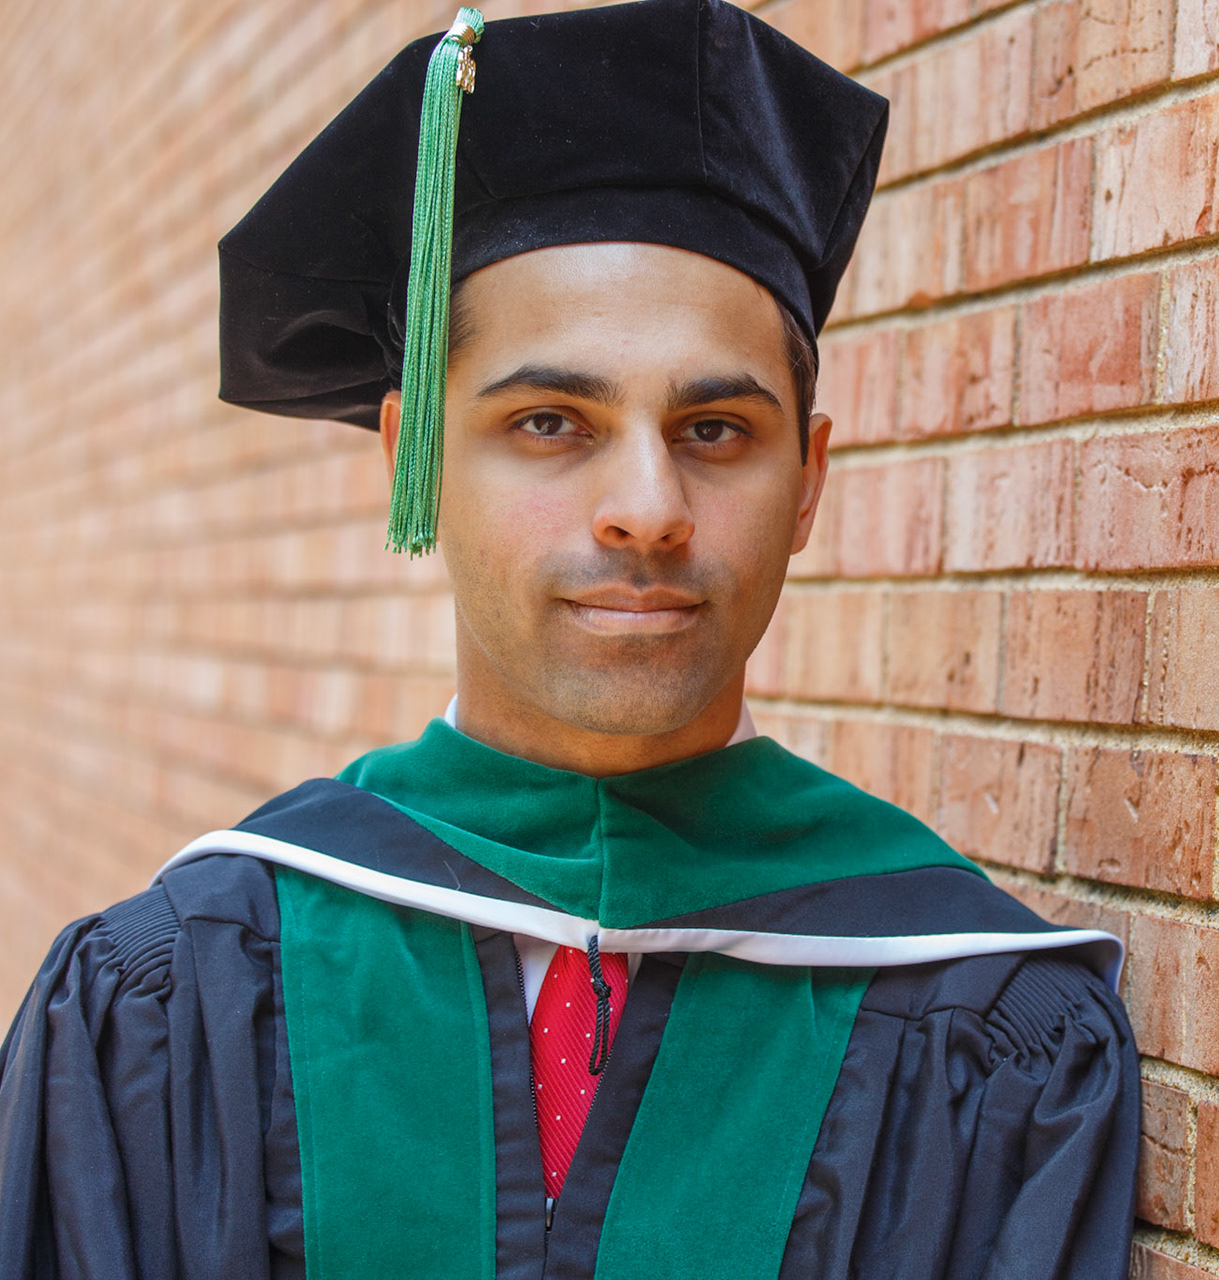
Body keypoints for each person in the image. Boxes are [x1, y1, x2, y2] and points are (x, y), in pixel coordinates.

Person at [0, 3, 1140, 1277]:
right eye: (550, 421)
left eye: (716, 430)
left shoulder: (983, 1015)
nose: (648, 508)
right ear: (416, 457)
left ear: (808, 482)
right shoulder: (185, 988)